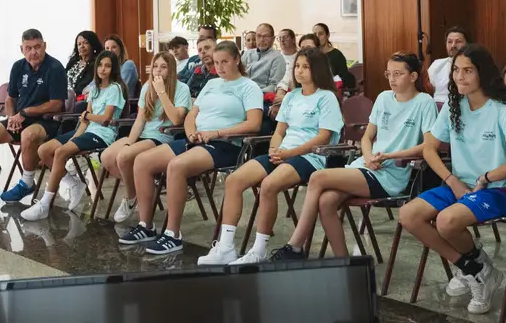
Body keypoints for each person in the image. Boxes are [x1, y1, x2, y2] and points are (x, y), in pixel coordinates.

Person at [399, 44, 506, 315]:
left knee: (447, 221)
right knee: (409, 215)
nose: (459, 76)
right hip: (461, 184)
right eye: (456, 70)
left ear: (483, 74)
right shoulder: (453, 106)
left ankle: (473, 267)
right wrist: (451, 180)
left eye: (467, 70)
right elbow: (428, 148)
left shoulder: (501, 111)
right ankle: (475, 268)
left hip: (500, 189)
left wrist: (487, 176)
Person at [269, 52, 437, 261]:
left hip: (392, 173)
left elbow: (428, 146)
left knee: (317, 177)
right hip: (367, 165)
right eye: (389, 74)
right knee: (326, 201)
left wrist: (388, 156)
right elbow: (367, 138)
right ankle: (344, 263)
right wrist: (368, 156)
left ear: (413, 77)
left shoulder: (424, 102)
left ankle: (294, 247)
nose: (392, 79)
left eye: (398, 74)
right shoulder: (384, 98)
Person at [199, 47, 342, 265]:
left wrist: (289, 153)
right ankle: (226, 247)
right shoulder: (292, 96)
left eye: (306, 67)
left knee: (268, 185)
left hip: (309, 157)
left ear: (318, 70)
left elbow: (323, 137)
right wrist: (274, 150)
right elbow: (279, 132)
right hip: (282, 153)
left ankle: (259, 249)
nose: (300, 72)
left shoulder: (326, 97)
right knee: (234, 180)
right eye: (298, 67)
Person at [119, 41, 263, 255]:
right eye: (216, 63)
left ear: (236, 59)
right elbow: (192, 115)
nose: (220, 67)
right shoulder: (212, 84)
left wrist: (216, 133)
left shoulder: (249, 87)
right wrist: (190, 132)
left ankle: (172, 234)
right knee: (142, 161)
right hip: (197, 139)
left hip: (225, 144)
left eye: (224, 62)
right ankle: (146, 226)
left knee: (176, 166)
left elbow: (254, 124)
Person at [0, 29, 68, 206]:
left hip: (47, 121)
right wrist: (12, 118)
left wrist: (24, 114)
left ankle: (26, 182)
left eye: (37, 47)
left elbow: (56, 104)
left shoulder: (55, 68)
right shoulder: (18, 67)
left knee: (29, 135)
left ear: (45, 46)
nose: (33, 52)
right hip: (20, 118)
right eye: (28, 48)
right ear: (22, 49)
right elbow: (10, 98)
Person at [22, 51, 127, 220]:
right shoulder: (94, 90)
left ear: (113, 69)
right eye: (100, 65)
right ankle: (73, 183)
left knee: (60, 153)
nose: (103, 69)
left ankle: (45, 204)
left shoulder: (115, 88)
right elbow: (85, 121)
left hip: (103, 134)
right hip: (88, 130)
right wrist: (74, 138)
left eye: (108, 66)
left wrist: (87, 116)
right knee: (43, 150)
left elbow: (106, 119)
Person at [104, 51, 192, 223]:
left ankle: (130, 198)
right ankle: (139, 191)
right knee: (107, 157)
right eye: (156, 67)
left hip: (163, 136)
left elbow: (175, 119)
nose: (158, 71)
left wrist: (162, 93)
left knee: (123, 157)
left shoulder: (182, 88)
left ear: (171, 70)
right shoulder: (146, 87)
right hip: (144, 134)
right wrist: (129, 142)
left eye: (164, 67)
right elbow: (140, 120)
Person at [272, 33, 319, 115]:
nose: (305, 52)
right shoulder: (295, 70)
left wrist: (288, 100)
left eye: (309, 48)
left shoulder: (326, 95)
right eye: (302, 49)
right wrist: (278, 101)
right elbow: (284, 82)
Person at [427, 26, 469, 105]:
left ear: (467, 44)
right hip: (437, 107)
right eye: (449, 42)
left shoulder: (473, 66)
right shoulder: (437, 64)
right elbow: (428, 90)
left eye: (458, 41)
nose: (453, 45)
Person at [242, 23, 286, 93]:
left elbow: (274, 86)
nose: (262, 39)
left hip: (261, 96)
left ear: (273, 39)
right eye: (259, 36)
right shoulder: (247, 54)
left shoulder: (277, 58)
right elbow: (237, 75)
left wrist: (253, 93)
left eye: (266, 36)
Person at [312, 23, 355, 94]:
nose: (317, 37)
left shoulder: (337, 55)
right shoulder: (312, 55)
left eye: (320, 34)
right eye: (314, 34)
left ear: (327, 35)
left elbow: (345, 78)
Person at [66, 30, 102, 97]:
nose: (82, 46)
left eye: (85, 43)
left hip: (80, 99)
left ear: (92, 45)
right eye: (79, 44)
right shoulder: (72, 62)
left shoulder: (97, 64)